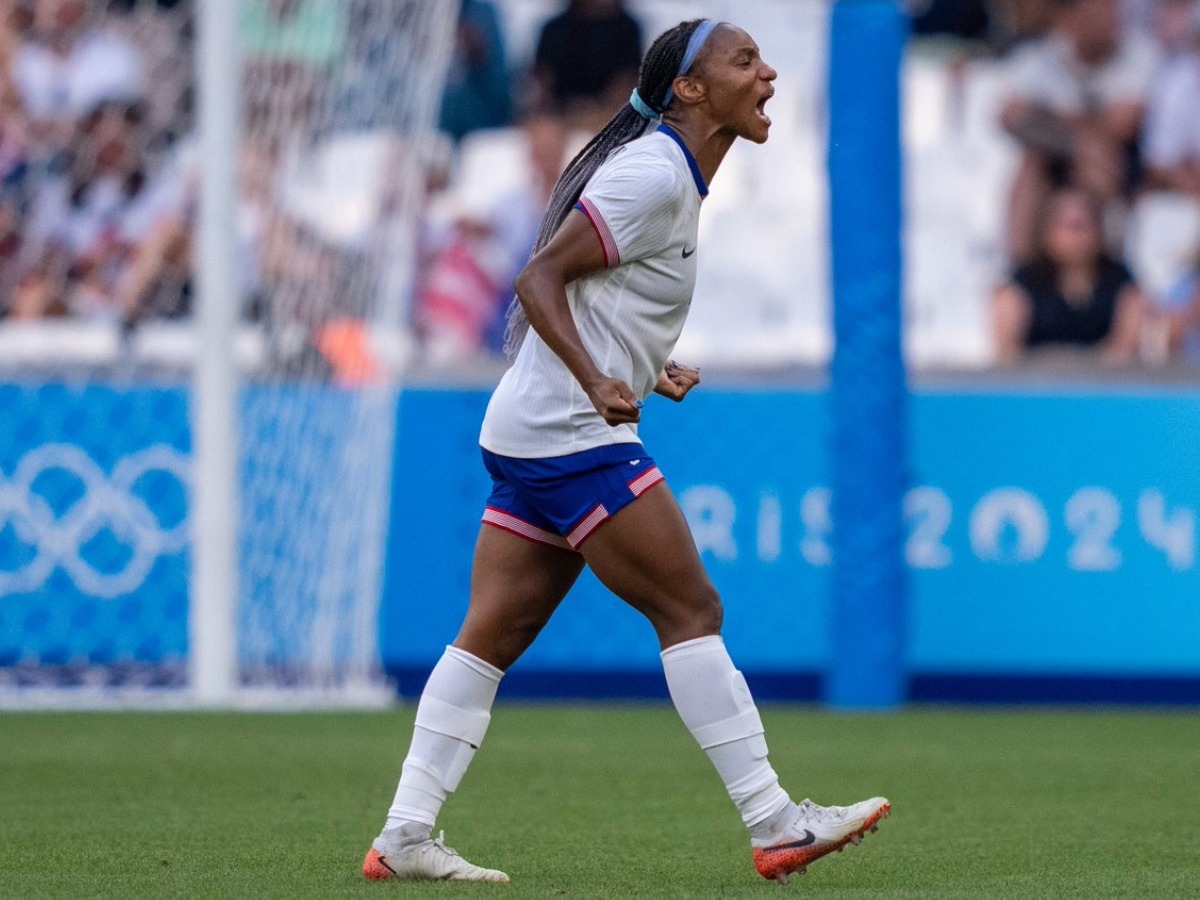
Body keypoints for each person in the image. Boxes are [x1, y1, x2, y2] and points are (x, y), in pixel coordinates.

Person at [362, 19, 889, 886]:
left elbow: (600, 290)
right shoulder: (651, 174)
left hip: (528, 432)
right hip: (573, 434)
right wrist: (604, 383)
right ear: (689, 88)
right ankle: (775, 822)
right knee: (691, 609)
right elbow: (539, 280)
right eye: (745, 61)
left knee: (490, 636)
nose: (769, 76)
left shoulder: (672, 176)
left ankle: (404, 835)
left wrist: (646, 366)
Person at [999, 0, 1158, 261]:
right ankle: (1025, 274)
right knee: (1032, 164)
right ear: (1067, 18)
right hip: (1059, 161)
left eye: (1111, 9)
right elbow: (1009, 115)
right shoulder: (1043, 56)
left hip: (1127, 169)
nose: (1108, 19)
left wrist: (1053, 117)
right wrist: (1080, 134)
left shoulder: (1141, 54)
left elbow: (1123, 125)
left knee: (1097, 157)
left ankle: (1105, 274)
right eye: (1096, 10)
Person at [992, 186, 1146, 361]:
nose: (1076, 236)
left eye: (1082, 225)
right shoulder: (1021, 284)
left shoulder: (1120, 280)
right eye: (1068, 225)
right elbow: (1008, 354)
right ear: (1046, 230)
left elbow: (1124, 351)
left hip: (1101, 383)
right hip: (1035, 383)